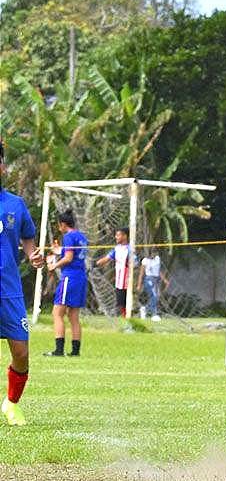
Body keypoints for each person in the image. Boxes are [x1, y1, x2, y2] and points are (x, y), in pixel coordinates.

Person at [0, 139, 45, 425]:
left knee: (21, 352)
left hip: (9, 290)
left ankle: (12, 403)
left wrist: (33, 255)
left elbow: (28, 238)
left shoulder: (15, 205)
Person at [43, 209, 89, 357]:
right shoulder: (81, 236)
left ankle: (59, 350)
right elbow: (73, 254)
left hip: (70, 277)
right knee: (73, 315)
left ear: (63, 224)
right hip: (81, 276)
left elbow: (69, 258)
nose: (59, 228)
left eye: (59, 225)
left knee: (57, 313)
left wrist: (54, 265)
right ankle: (75, 351)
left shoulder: (68, 236)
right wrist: (59, 251)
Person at [95, 227, 135, 317]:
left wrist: (130, 263)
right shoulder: (116, 249)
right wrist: (96, 263)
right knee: (121, 302)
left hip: (127, 281)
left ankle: (129, 318)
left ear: (125, 236)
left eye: (118, 235)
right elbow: (107, 258)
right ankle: (125, 318)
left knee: (127, 301)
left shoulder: (130, 249)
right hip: (119, 281)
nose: (116, 237)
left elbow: (135, 262)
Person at [137, 249, 169, 321]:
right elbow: (141, 273)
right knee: (154, 295)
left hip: (156, 279)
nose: (154, 254)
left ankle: (145, 309)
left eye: (155, 253)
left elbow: (158, 271)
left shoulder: (157, 259)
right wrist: (139, 285)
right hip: (149, 279)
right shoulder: (145, 261)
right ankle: (154, 314)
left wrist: (164, 280)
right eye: (152, 253)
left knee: (156, 296)